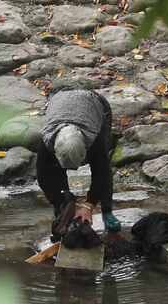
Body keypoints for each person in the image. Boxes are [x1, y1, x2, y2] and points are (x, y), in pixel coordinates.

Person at [37, 89, 121, 239]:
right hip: (60, 102)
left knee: (102, 164)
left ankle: (107, 211)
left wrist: (89, 205)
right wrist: (62, 202)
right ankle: (61, 209)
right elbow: (44, 178)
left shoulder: (95, 139)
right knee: (55, 175)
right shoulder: (46, 142)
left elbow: (102, 174)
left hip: (93, 103)